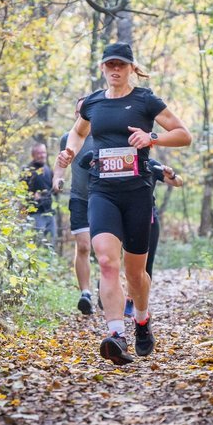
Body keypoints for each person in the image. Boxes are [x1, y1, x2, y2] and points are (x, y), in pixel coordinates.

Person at [55, 42, 191, 365]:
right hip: (102, 191)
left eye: (121, 65)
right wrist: (69, 152)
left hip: (137, 193)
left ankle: (141, 320)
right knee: (105, 261)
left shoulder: (145, 100)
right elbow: (77, 132)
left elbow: (183, 134)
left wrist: (151, 138)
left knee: (135, 273)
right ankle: (116, 334)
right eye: (110, 65)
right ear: (102, 68)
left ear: (131, 68)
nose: (115, 70)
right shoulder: (93, 103)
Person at [125, 158, 184, 315]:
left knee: (145, 265)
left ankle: (138, 303)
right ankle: (122, 297)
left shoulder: (150, 164)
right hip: (122, 219)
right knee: (123, 263)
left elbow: (178, 182)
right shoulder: (117, 159)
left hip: (148, 219)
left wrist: (171, 175)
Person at [53, 98, 96, 315]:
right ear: (74, 114)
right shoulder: (67, 139)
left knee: (108, 250)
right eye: (79, 112)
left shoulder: (102, 137)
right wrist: (57, 179)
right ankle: (85, 294)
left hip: (104, 198)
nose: (82, 116)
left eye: (86, 112)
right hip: (79, 198)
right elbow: (60, 163)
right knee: (84, 246)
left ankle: (108, 285)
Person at [22, 143, 56, 247]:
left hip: (49, 213)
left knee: (50, 246)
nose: (42, 155)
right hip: (35, 214)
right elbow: (20, 192)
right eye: (39, 153)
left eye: (44, 152)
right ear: (33, 155)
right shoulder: (27, 170)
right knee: (37, 245)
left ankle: (51, 263)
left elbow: (53, 189)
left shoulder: (48, 170)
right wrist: (32, 196)